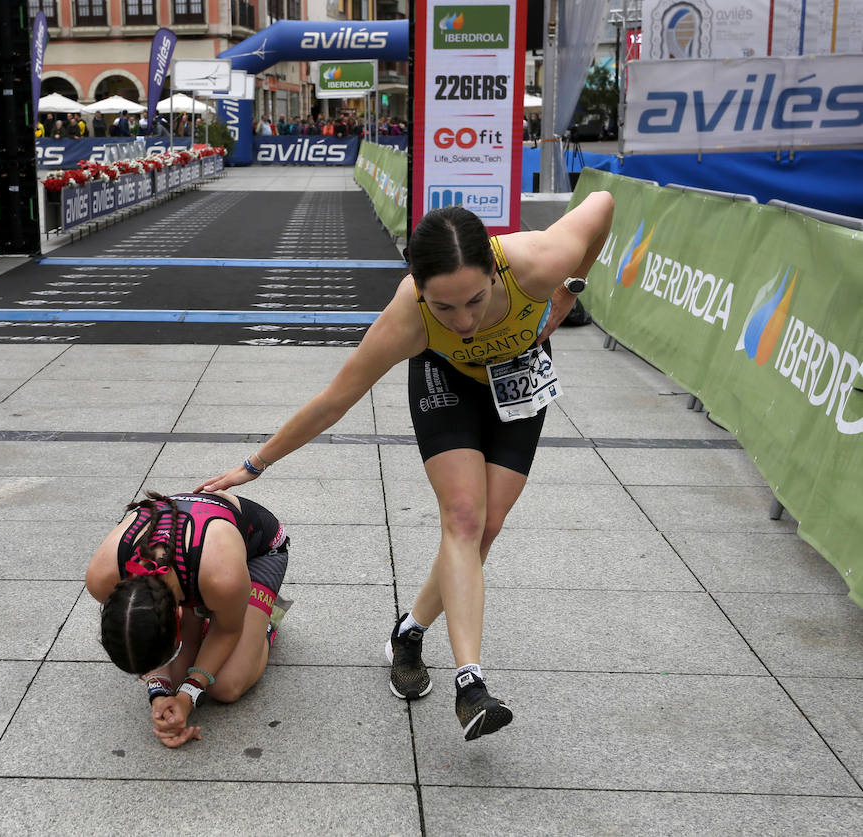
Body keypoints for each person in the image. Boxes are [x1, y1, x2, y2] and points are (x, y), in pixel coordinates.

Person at [198, 195, 615, 741]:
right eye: (444, 307)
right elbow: (333, 400)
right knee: (464, 520)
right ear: (419, 290)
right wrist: (252, 466)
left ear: (496, 270)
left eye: (474, 299)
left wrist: (570, 290)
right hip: (448, 384)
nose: (463, 321)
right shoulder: (406, 319)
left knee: (488, 528)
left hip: (517, 378)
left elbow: (603, 206)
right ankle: (472, 684)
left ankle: (409, 632)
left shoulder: (537, 260)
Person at [86, 490, 293, 749]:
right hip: (192, 570)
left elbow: (226, 631)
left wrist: (189, 694)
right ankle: (212, 611)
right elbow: (138, 634)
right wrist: (159, 691)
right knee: (180, 674)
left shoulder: (222, 579)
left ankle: (265, 616)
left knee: (226, 686)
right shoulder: (101, 578)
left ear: (179, 614)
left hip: (258, 553)